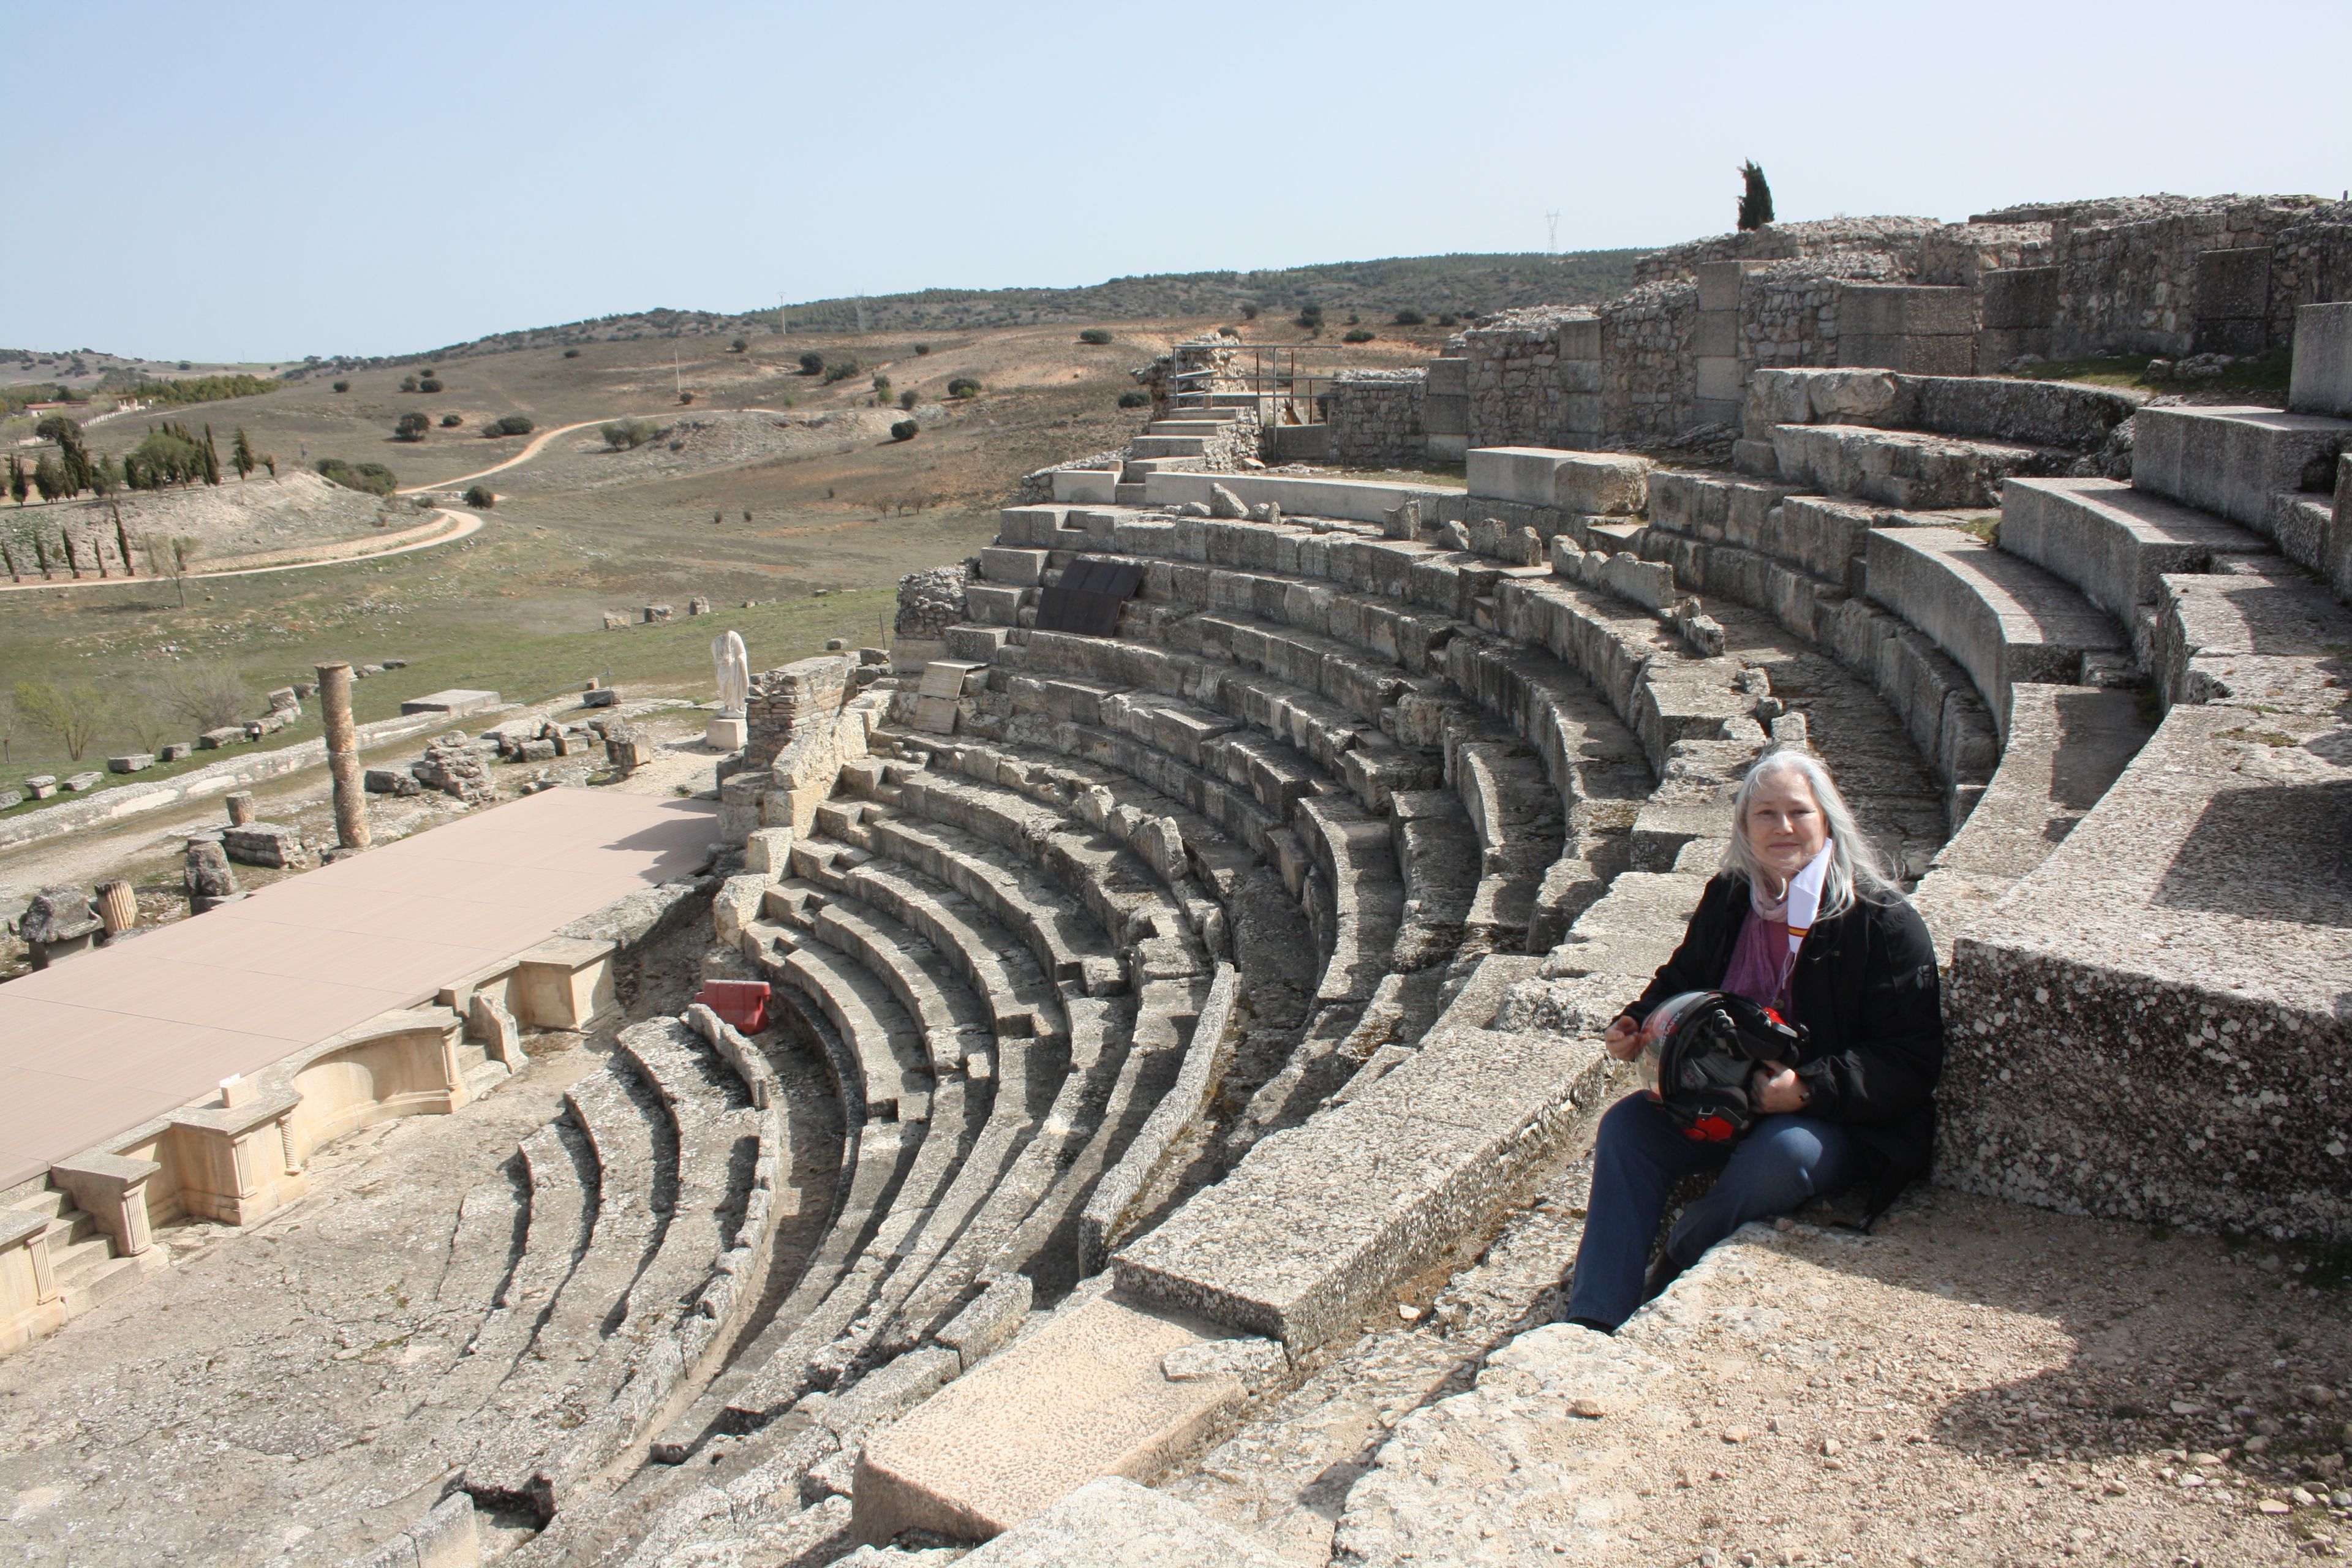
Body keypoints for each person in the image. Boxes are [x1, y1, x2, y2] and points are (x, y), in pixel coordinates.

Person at [1560, 748, 1942, 1333]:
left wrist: (1806, 1089)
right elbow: (1684, 979)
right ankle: (1594, 1314)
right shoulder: (1733, 896)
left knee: (1780, 1157)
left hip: (1830, 1118)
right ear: (1744, 827)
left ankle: (1679, 1259)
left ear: (1826, 821)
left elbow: (1910, 1058)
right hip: (1726, 1094)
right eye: (1765, 814)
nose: (1782, 828)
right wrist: (1637, 1020)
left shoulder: (1881, 920)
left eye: (1798, 813)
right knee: (1628, 1129)